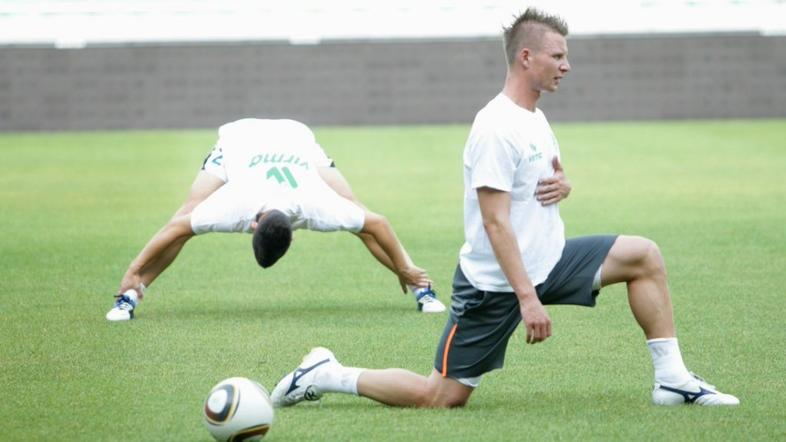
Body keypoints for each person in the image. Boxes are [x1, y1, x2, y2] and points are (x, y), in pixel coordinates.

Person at [268, 8, 739, 408]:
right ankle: (326, 373)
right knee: (441, 396)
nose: (567, 65)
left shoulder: (534, 116)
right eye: (558, 56)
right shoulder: (495, 127)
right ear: (526, 57)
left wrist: (563, 186)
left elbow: (535, 186)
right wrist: (527, 299)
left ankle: (672, 381)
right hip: (494, 285)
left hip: (549, 260)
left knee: (643, 256)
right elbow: (495, 222)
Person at [106, 118, 446, 321]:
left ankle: (421, 287)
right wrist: (133, 270)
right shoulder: (234, 204)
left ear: (255, 226)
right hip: (238, 141)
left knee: (356, 210)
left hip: (295, 141)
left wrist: (404, 268)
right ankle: (131, 292)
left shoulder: (315, 204)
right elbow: (176, 228)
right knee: (186, 214)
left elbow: (378, 224)